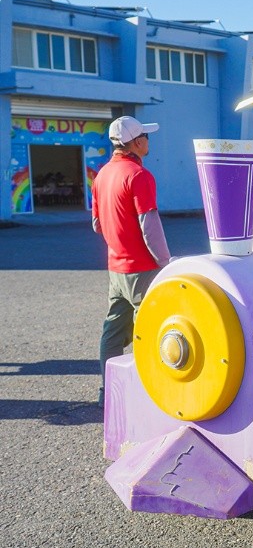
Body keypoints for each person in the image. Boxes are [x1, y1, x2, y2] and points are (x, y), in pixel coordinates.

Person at [92, 116, 171, 406]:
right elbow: (149, 225)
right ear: (136, 143)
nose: (149, 141)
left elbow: (97, 224)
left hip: (116, 269)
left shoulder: (101, 176)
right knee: (148, 330)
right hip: (143, 270)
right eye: (146, 137)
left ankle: (108, 392)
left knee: (112, 332)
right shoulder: (139, 176)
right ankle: (147, 393)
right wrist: (166, 262)